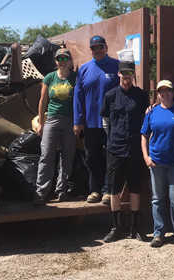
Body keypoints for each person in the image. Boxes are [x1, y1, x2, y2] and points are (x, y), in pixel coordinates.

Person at [100, 61, 149, 243]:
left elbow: (147, 118)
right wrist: (112, 137)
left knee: (135, 188)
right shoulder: (110, 95)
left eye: (129, 74)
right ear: (119, 74)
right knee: (114, 189)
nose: (126, 77)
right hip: (115, 149)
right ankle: (116, 227)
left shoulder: (141, 96)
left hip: (135, 149)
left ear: (133, 75)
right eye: (123, 74)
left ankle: (135, 228)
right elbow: (105, 120)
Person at [141, 80, 174, 249]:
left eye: (168, 91)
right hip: (156, 163)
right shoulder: (152, 112)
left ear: (172, 92)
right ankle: (158, 233)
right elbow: (144, 136)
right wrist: (146, 157)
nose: (165, 94)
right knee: (157, 199)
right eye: (161, 91)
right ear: (158, 94)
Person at [73, 35, 119, 204]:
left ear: (106, 47)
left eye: (100, 47)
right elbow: (77, 97)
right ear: (90, 50)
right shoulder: (84, 69)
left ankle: (108, 190)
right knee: (91, 157)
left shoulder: (116, 66)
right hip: (90, 122)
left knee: (110, 156)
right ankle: (94, 190)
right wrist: (77, 121)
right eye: (94, 48)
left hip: (111, 122)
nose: (97, 50)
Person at [32, 48, 77, 205]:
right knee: (46, 155)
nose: (62, 61)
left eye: (65, 58)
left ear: (70, 61)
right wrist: (41, 123)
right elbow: (43, 101)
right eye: (59, 59)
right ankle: (41, 192)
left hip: (70, 120)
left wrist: (79, 122)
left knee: (67, 156)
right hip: (52, 119)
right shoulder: (50, 78)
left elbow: (79, 101)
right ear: (56, 61)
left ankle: (61, 190)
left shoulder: (75, 78)